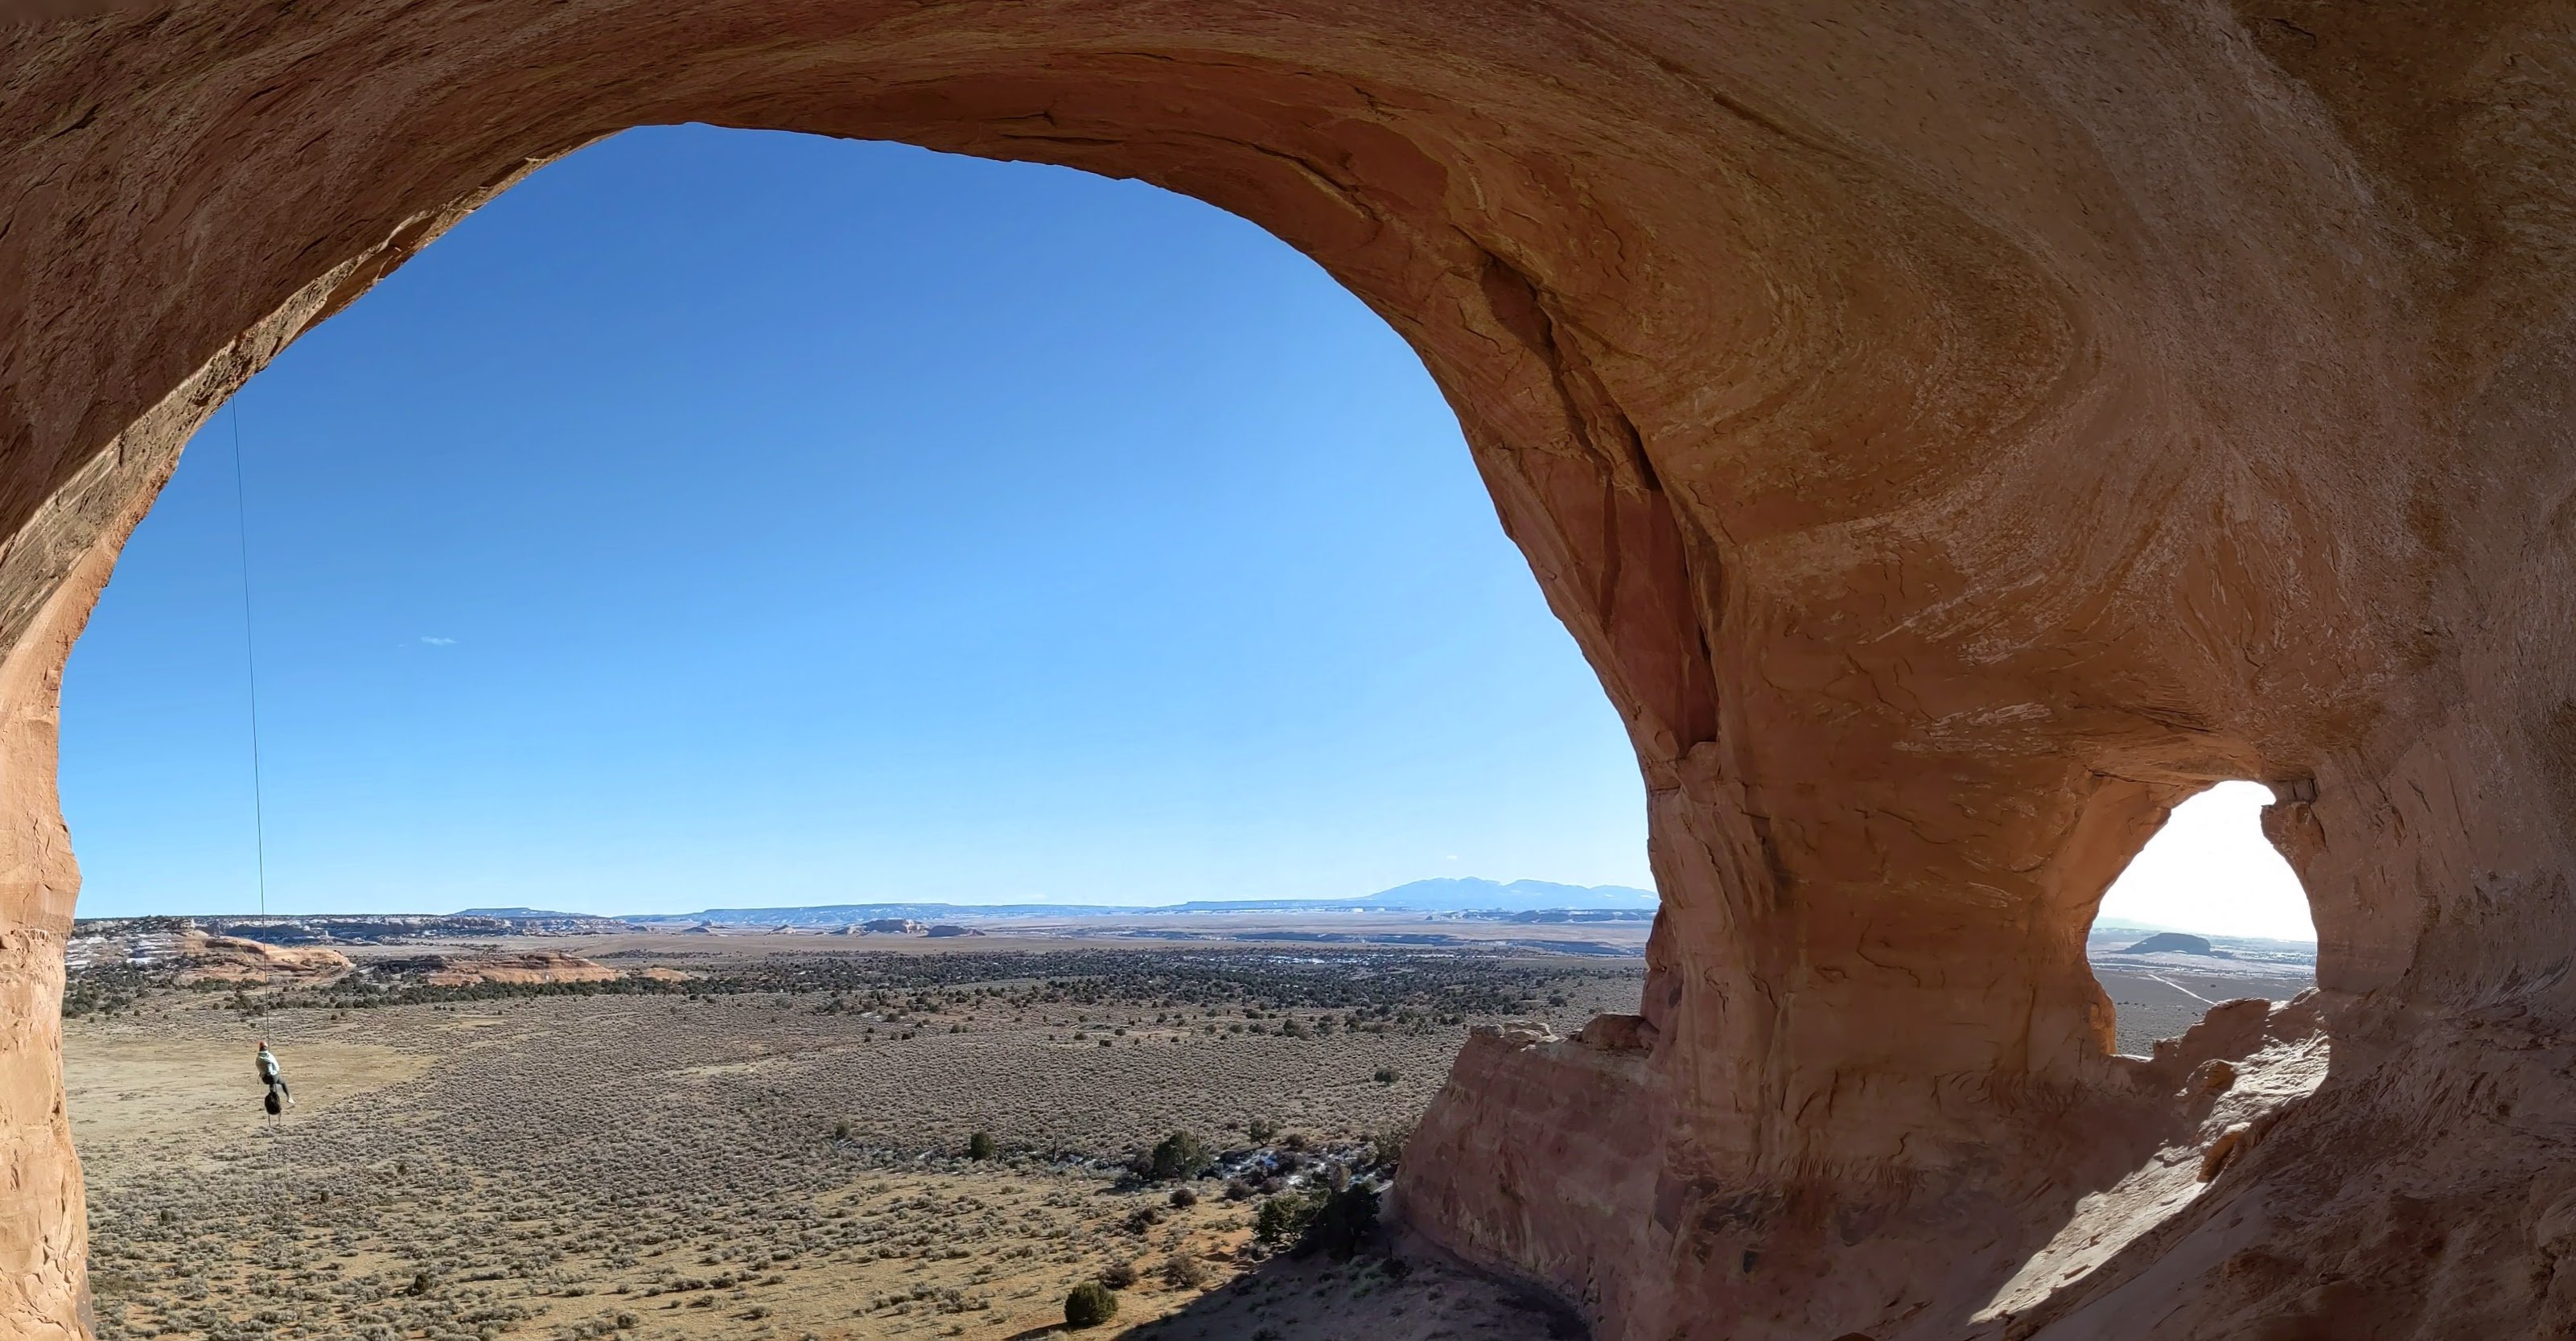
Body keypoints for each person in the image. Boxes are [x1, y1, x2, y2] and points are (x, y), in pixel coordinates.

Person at [255, 1040, 294, 1125]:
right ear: (266, 1048)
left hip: (265, 1079)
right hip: (273, 1077)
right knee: (282, 1082)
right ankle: (289, 1097)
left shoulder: (258, 1058)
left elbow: (258, 1066)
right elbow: (276, 1067)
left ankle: (272, 1092)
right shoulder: (269, 1056)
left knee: (271, 1083)